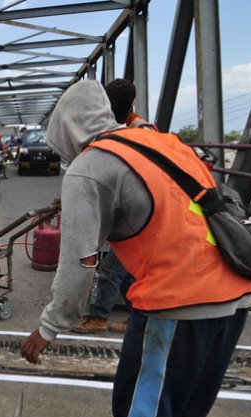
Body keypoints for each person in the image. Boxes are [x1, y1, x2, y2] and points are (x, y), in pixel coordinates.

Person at [20, 80, 251, 417]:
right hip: (236, 282)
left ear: (65, 129)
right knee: (191, 381)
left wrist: (50, 326)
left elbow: (80, 263)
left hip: (179, 293)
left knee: (145, 383)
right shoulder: (160, 141)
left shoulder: (88, 167)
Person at [74, 78, 156, 334]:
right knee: (128, 272)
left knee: (111, 271)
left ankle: (100, 318)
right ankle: (139, 317)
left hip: (139, 217)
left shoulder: (142, 133)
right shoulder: (126, 130)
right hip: (131, 215)